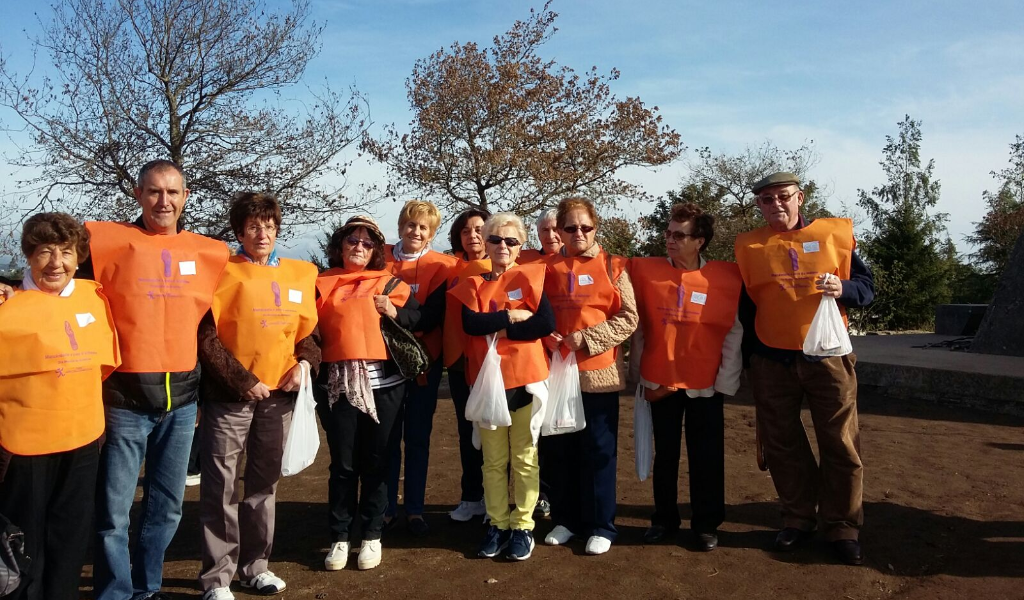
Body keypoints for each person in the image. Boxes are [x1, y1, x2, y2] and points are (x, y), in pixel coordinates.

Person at [85, 159, 230, 600]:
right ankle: (115, 593)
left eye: (172, 192)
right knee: (114, 513)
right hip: (124, 403)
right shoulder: (106, 244)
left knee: (166, 509)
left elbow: (216, 327)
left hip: (181, 405)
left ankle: (146, 589)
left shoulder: (208, 253)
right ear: (138, 194)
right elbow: (60, 282)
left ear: (185, 197)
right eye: (153, 191)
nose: (163, 201)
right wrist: (16, 289)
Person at [734, 172, 874, 566]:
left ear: (800, 197)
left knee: (840, 441)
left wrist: (844, 289)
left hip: (828, 357)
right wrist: (748, 360)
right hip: (770, 358)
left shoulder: (833, 236)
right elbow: (745, 307)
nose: (775, 204)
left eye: (783, 196)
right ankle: (797, 517)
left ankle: (843, 526)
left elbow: (867, 288)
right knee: (781, 443)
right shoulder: (750, 246)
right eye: (766, 199)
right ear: (759, 205)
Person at [196, 193, 321, 599]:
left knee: (264, 485)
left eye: (269, 225)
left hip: (278, 397)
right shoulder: (220, 273)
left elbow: (308, 335)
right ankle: (218, 578)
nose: (262, 233)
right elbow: (206, 337)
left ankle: (256, 567)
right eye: (253, 226)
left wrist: (306, 365)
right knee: (221, 486)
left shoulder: (298, 275)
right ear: (239, 232)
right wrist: (241, 380)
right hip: (230, 398)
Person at [0, 213, 120, 600]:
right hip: (25, 446)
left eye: (66, 252)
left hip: (82, 440)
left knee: (70, 540)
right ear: (28, 256)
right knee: (25, 545)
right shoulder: (6, 304)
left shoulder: (93, 298)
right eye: (45, 252)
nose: (56, 263)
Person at [629, 203, 743, 552]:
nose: (670, 240)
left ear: (700, 241)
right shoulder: (646, 272)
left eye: (679, 235)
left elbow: (733, 332)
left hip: (706, 385)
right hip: (660, 381)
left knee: (707, 456)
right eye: (668, 233)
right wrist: (637, 375)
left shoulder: (724, 278)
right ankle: (664, 519)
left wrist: (726, 381)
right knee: (665, 455)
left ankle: (706, 524)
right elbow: (637, 325)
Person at [315, 216, 421, 572]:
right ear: (340, 245)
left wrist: (394, 310)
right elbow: (307, 328)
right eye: (352, 240)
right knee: (343, 465)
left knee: (378, 461)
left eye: (367, 242)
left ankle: (372, 534)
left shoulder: (390, 282)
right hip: (337, 387)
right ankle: (340, 536)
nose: (359, 247)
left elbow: (418, 318)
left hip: (385, 387)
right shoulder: (321, 283)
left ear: (376, 249)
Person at [448, 212, 555, 561]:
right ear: (486, 244)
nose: (503, 246)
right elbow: (471, 324)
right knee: (493, 461)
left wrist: (497, 325)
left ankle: (523, 525)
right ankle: (497, 523)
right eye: (495, 239)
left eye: (511, 241)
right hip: (488, 384)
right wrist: (511, 316)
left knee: (524, 458)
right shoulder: (472, 284)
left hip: (526, 380)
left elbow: (544, 324)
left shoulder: (533, 277)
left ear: (521, 246)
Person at [540, 198, 638, 556]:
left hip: (598, 374)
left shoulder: (614, 266)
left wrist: (586, 338)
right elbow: (531, 312)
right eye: (570, 227)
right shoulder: (543, 268)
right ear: (559, 231)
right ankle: (566, 520)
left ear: (596, 227)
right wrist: (544, 335)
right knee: (559, 450)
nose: (578, 233)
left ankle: (601, 525)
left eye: (585, 227)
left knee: (598, 450)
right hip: (554, 372)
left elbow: (629, 317)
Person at [384, 200, 458, 536]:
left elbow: (431, 317)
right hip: (384, 362)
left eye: (423, 227)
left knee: (417, 438)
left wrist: (396, 313)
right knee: (386, 438)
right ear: (401, 226)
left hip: (425, 363)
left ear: (432, 233)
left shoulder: (444, 266)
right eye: (411, 224)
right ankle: (386, 508)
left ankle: (415, 509)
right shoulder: (380, 260)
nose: (416, 231)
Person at [442, 208, 491, 523]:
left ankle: (495, 499)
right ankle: (472, 496)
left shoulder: (503, 265)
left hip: (491, 362)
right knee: (467, 432)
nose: (472, 235)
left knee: (495, 432)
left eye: (478, 229)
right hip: (460, 363)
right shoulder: (451, 269)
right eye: (465, 231)